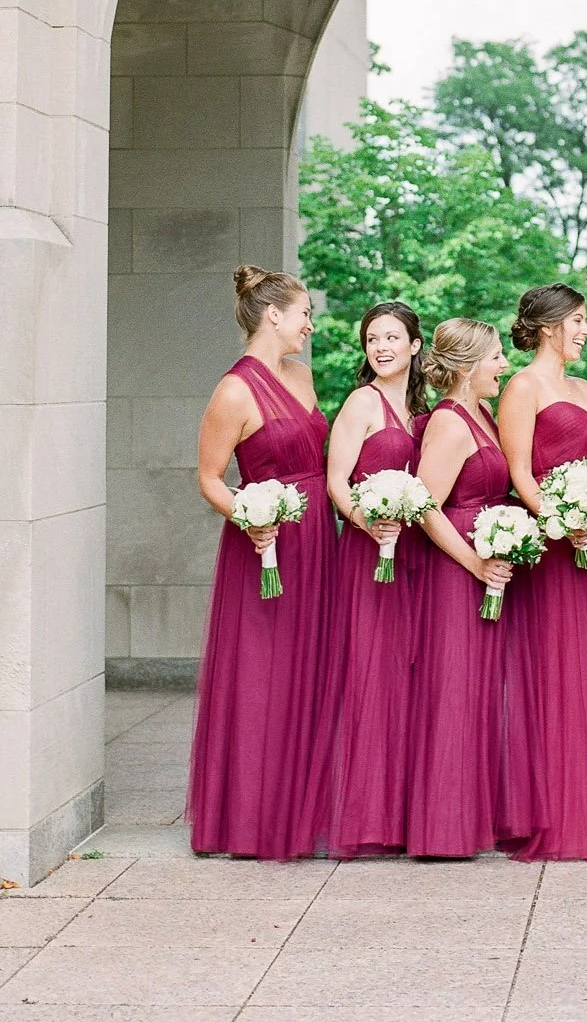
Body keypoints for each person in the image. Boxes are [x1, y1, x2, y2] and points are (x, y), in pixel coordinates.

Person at [187, 265, 336, 859]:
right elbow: (208, 478)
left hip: (318, 536)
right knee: (262, 675)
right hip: (266, 544)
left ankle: (304, 808)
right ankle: (250, 819)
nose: (309, 325)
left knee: (313, 667)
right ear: (273, 315)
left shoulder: (301, 376)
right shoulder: (233, 390)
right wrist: (252, 516)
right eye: (304, 314)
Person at [499, 283, 587, 860]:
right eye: (578, 320)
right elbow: (519, 473)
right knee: (554, 672)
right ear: (549, 327)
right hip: (554, 548)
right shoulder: (521, 387)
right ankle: (554, 814)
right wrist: (560, 521)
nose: (586, 330)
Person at [406, 319, 518, 858]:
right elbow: (426, 507)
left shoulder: (483, 414)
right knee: (453, 688)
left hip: (488, 567)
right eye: (496, 357)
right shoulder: (450, 423)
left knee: (480, 690)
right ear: (469, 366)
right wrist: (475, 563)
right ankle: (443, 829)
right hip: (456, 575)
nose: (504, 365)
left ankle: (475, 816)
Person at [321, 302, 428, 858]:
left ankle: (405, 810)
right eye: (371, 339)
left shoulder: (421, 408)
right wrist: (367, 519)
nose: (381, 347)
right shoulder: (361, 403)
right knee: (370, 672)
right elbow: (336, 481)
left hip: (414, 556)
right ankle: (365, 816)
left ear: (415, 345)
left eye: (391, 337)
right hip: (368, 557)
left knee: (409, 675)